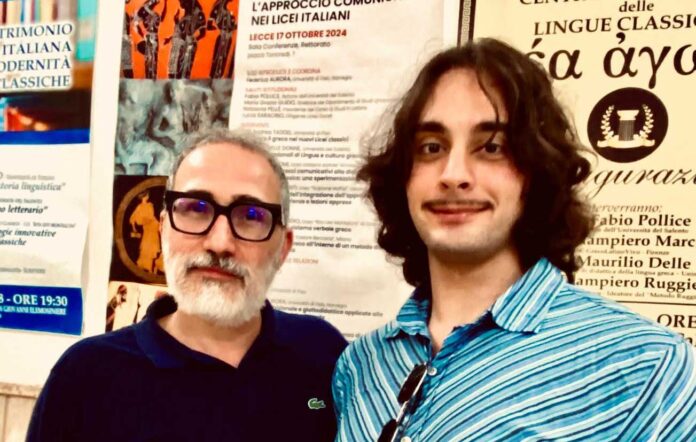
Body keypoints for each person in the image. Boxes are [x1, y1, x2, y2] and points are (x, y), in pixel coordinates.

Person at [332, 38, 696, 441]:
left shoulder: (645, 367)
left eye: (492, 147)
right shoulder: (360, 366)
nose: (453, 175)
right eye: (431, 147)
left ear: (537, 172)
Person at [28, 129, 348, 441]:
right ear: (163, 229)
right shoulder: (84, 377)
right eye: (195, 208)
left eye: (251, 215)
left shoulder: (322, 352)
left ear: (283, 248)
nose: (220, 243)